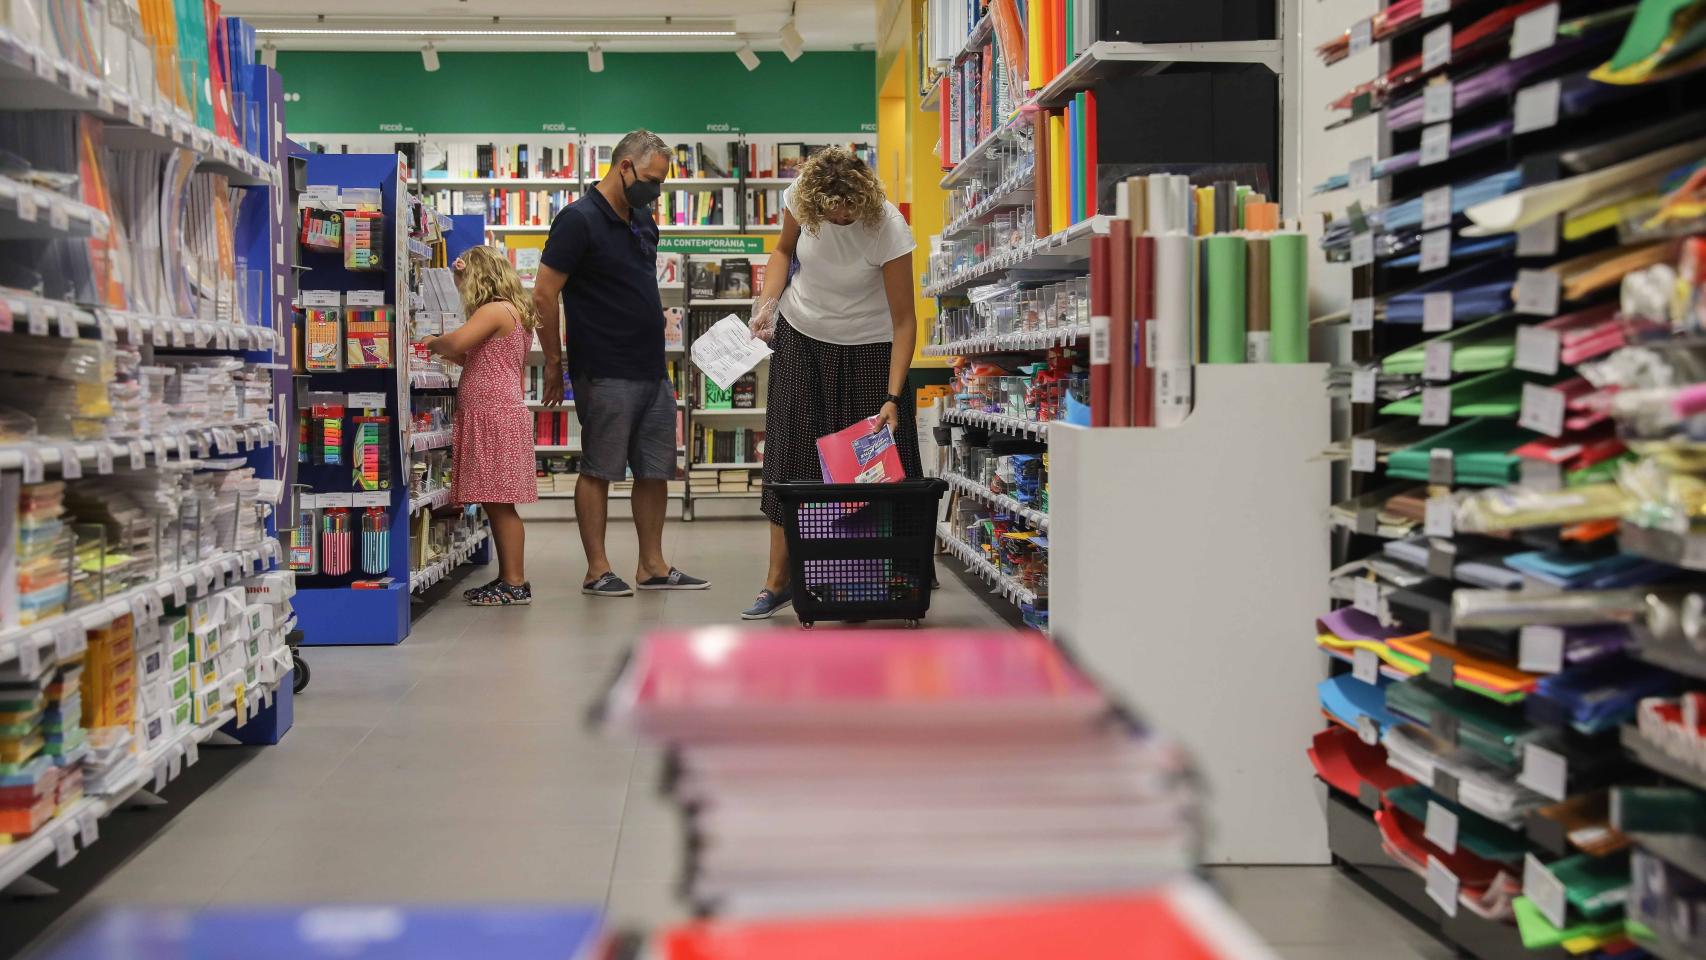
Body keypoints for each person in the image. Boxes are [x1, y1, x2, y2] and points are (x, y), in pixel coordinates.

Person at [741, 146, 922, 620]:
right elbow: (782, 251)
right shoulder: (800, 199)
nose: (840, 215)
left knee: (870, 465)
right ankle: (777, 580)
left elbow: (905, 321)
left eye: (848, 206)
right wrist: (767, 302)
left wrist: (892, 396)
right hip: (802, 337)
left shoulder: (887, 227)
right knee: (789, 454)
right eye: (831, 207)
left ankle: (874, 576)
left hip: (870, 348)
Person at [531, 129, 708, 597]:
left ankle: (651, 565)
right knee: (599, 469)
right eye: (652, 179)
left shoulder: (644, 218)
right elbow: (544, 294)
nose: (657, 189)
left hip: (652, 368)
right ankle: (597, 569)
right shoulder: (578, 220)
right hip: (604, 367)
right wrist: (554, 362)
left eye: (662, 182)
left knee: (655, 469)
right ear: (624, 166)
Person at [422, 245, 538, 606]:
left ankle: (515, 582)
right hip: (494, 411)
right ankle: (508, 578)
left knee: (500, 504)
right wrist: (444, 349)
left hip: (493, 413)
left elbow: (456, 342)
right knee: (495, 501)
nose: (460, 290)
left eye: (461, 281)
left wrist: (430, 341)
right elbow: (470, 355)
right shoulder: (511, 311)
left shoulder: (494, 310)